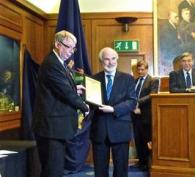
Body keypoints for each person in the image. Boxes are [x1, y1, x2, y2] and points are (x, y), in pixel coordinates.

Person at [32, 30, 89, 177]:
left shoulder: (59, 62)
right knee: (52, 171)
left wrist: (74, 88)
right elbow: (65, 93)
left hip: (56, 128)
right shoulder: (52, 63)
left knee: (55, 169)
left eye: (74, 48)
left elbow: (58, 88)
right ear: (58, 44)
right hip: (51, 129)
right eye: (69, 47)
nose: (72, 51)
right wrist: (84, 106)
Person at [90, 47, 137, 177]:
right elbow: (90, 103)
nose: (110, 62)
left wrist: (114, 109)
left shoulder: (128, 79)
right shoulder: (93, 79)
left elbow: (132, 101)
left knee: (121, 169)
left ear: (117, 59)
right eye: (106, 59)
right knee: (100, 169)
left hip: (120, 127)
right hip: (100, 129)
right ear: (101, 61)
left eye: (113, 59)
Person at [132, 60, 159, 171]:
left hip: (146, 115)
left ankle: (148, 163)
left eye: (142, 69)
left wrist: (138, 102)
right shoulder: (135, 80)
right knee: (137, 139)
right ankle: (141, 161)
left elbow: (152, 95)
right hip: (135, 114)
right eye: (138, 69)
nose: (140, 71)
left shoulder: (153, 80)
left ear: (147, 69)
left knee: (147, 139)